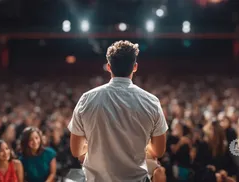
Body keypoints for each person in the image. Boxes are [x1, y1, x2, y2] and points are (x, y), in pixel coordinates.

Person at [68, 40, 168, 182]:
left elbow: (76, 150)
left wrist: (97, 145)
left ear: (108, 67)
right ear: (135, 67)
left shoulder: (87, 99)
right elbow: (159, 151)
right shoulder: (151, 102)